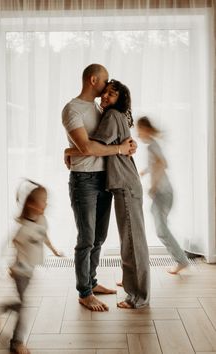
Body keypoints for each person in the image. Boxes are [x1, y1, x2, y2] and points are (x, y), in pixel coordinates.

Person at [65, 79, 150, 309]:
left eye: (111, 94)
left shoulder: (112, 116)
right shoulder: (118, 116)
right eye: (105, 93)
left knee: (132, 242)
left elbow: (91, 147)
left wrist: (68, 150)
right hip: (125, 183)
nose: (105, 97)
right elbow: (109, 147)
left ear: (119, 99)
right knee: (131, 241)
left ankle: (137, 297)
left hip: (124, 184)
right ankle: (134, 289)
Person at [0, 180, 62, 354]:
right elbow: (12, 244)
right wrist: (11, 266)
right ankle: (16, 342)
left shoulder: (41, 220)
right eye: (44, 201)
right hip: (20, 271)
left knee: (22, 302)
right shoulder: (23, 229)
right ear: (32, 205)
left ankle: (9, 307)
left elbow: (44, 236)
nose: (46, 204)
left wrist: (54, 250)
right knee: (25, 306)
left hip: (30, 271)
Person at [137, 117, 189, 274]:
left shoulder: (152, 146)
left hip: (163, 192)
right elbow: (157, 163)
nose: (138, 135)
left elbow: (162, 163)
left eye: (139, 131)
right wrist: (146, 171)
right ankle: (181, 260)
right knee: (161, 228)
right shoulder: (153, 145)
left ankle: (181, 261)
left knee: (161, 229)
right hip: (163, 193)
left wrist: (153, 186)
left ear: (145, 129)